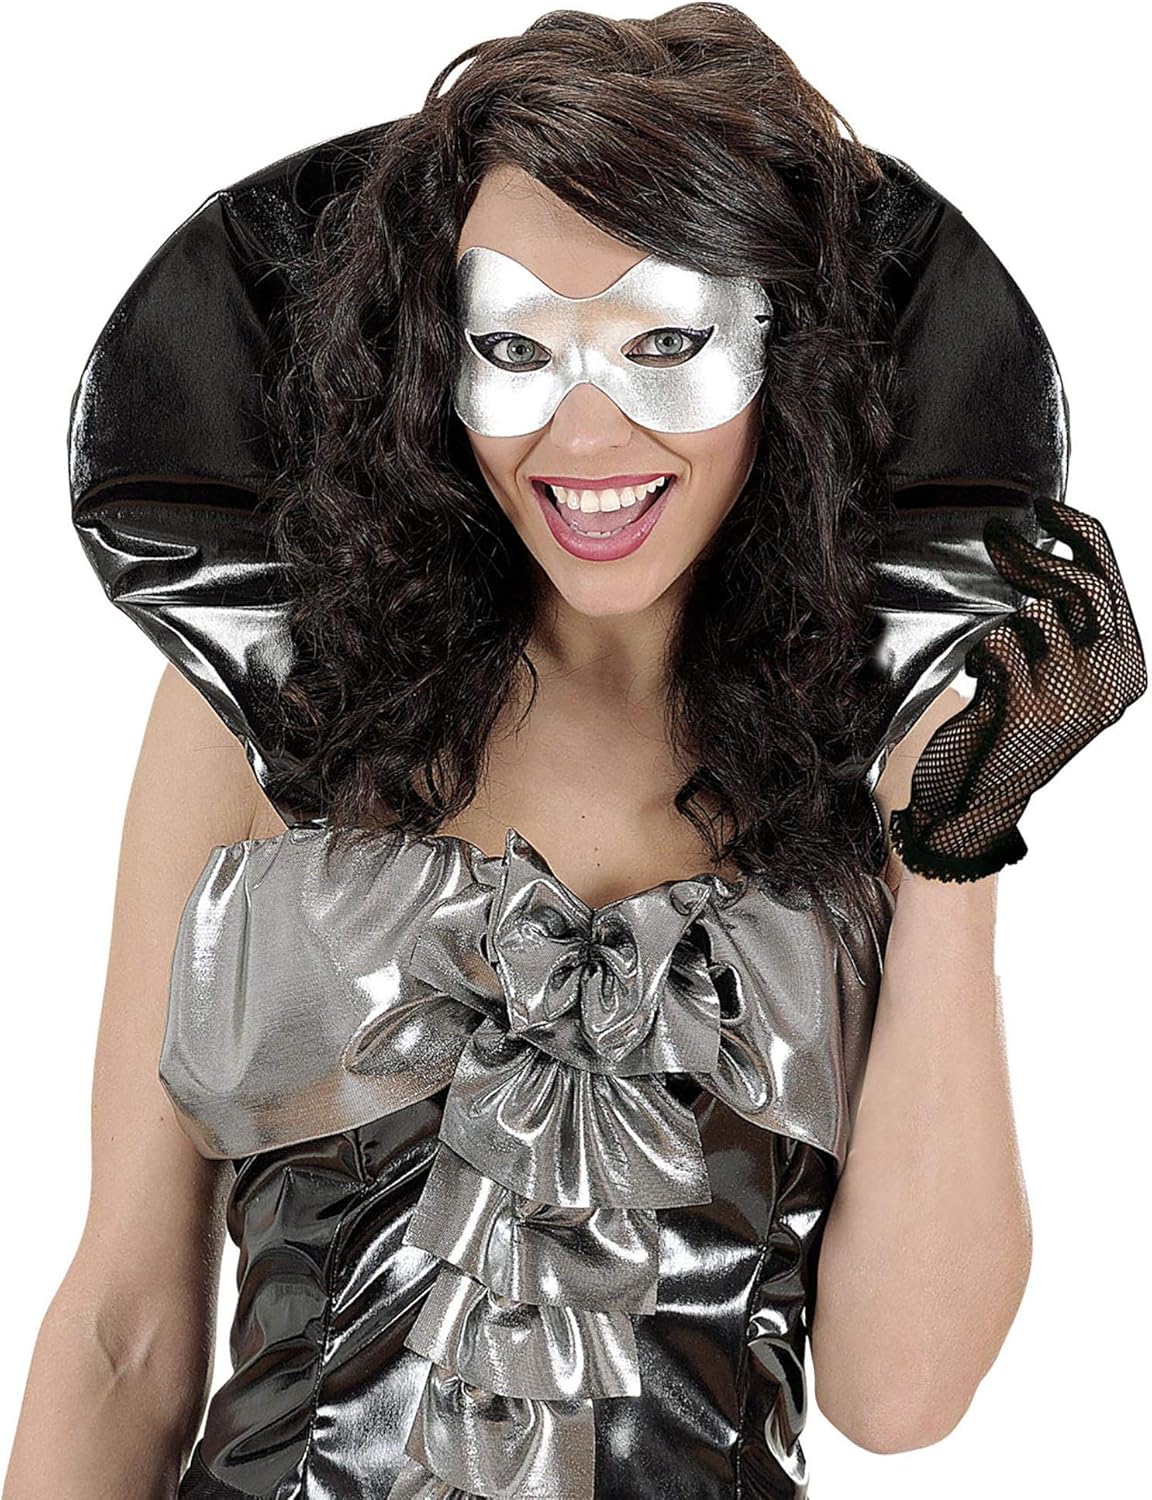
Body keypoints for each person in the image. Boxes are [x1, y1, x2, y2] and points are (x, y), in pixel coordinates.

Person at [5, 5, 1144, 1498]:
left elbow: (901, 1392)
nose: (585, 435)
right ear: (431, 357)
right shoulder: (274, 694)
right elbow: (125, 1330)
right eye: (515, 347)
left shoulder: (866, 745)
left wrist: (953, 855)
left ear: (788, 356)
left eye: (665, 341)